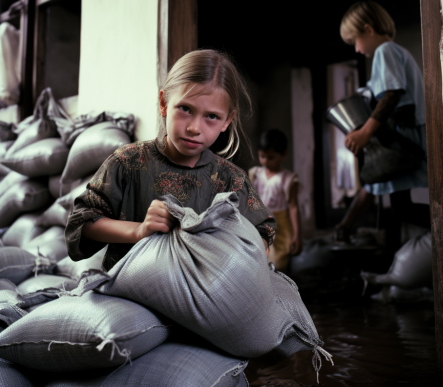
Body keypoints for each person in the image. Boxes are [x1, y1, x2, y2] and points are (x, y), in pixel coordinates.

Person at [65, 49, 276, 270]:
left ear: (227, 121)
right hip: (129, 291)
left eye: (212, 116)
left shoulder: (231, 180)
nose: (195, 128)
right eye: (185, 109)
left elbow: (262, 232)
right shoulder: (128, 163)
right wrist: (139, 230)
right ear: (164, 103)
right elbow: (81, 224)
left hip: (204, 296)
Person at [335, 1, 430, 246]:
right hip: (408, 136)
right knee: (401, 208)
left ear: (368, 29)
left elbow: (391, 94)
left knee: (402, 209)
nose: (356, 49)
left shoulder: (385, 51)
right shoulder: (397, 52)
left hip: (404, 142)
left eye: (355, 41)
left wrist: (365, 132)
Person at [249, 129, 302, 271]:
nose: (265, 161)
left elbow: (293, 207)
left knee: (278, 264)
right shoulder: (256, 174)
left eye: (270, 157)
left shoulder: (288, 179)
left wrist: (297, 235)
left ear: (284, 154)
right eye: (262, 156)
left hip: (281, 229)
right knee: (258, 263)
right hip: (259, 226)